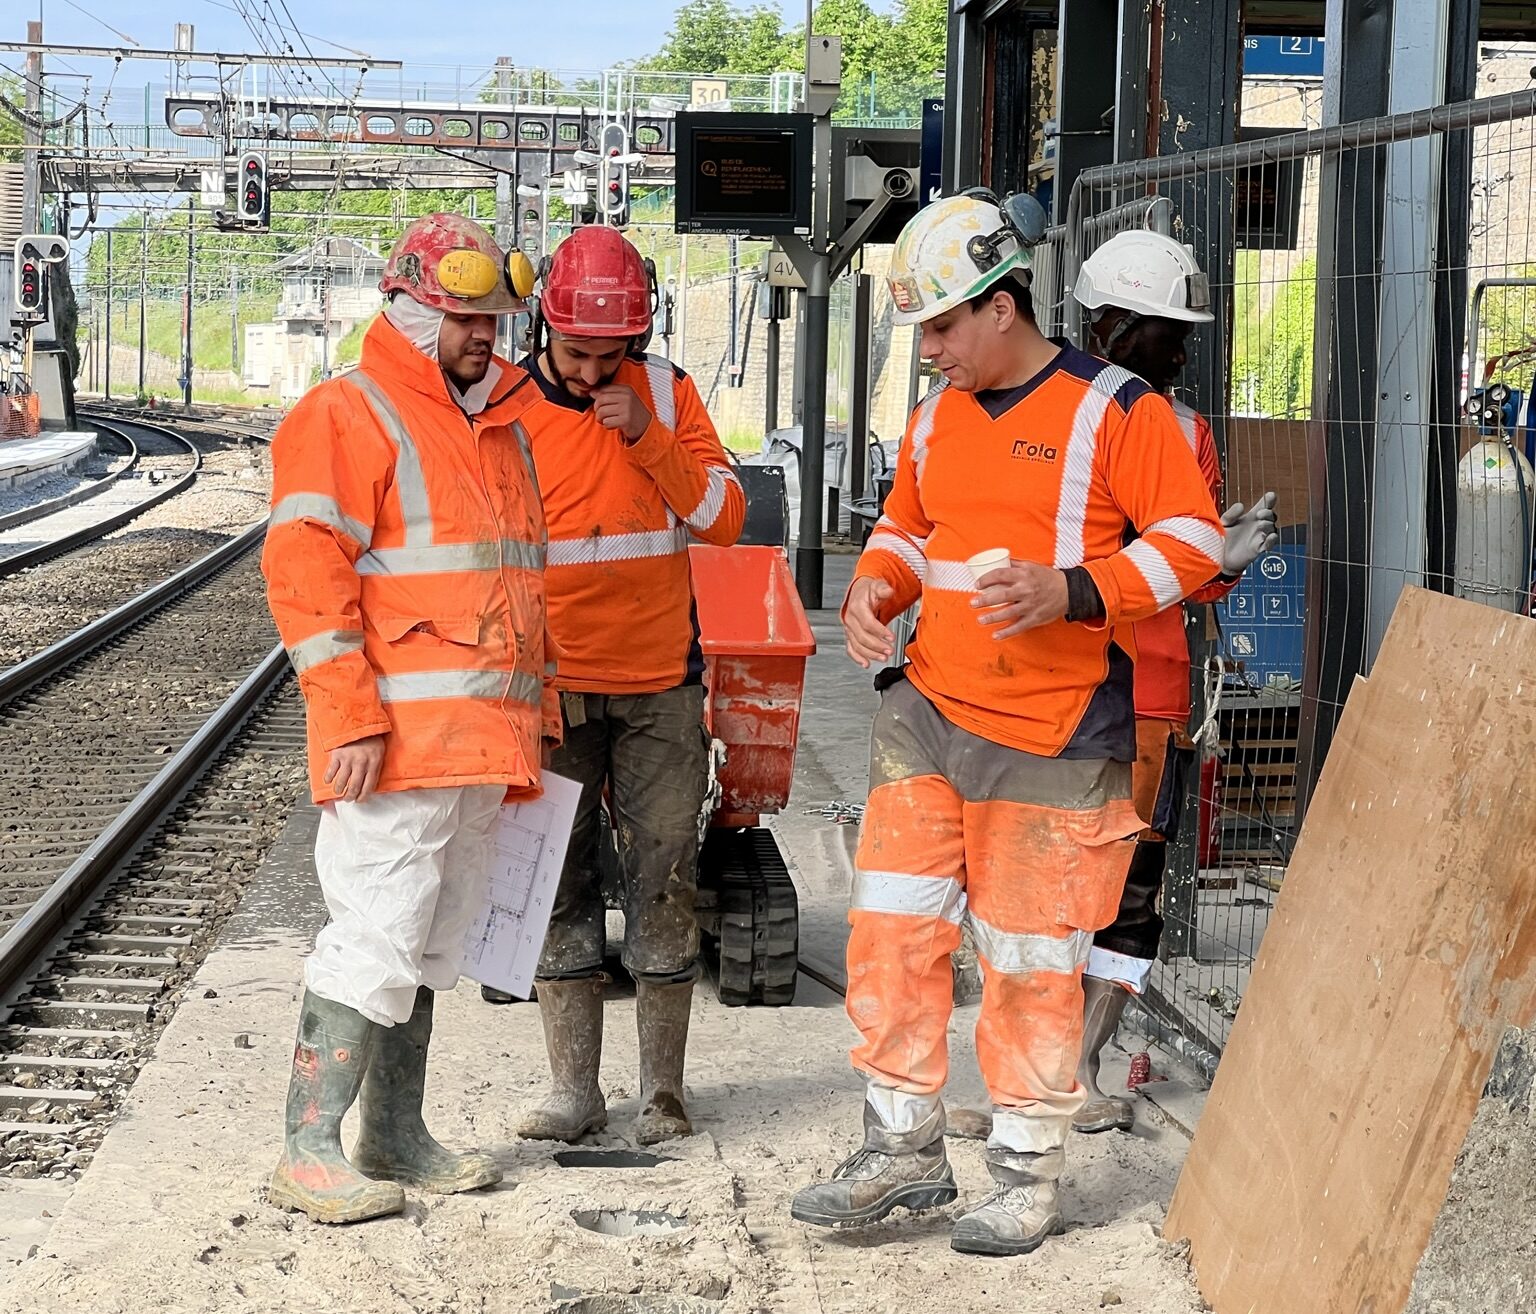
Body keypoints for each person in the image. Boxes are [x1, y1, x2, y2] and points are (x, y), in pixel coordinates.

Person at [789, 193, 1227, 1257]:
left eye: (941, 326)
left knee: (1032, 958)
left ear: (1001, 304)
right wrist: (877, 588)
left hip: (1056, 733)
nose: (929, 350)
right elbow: (907, 523)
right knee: (891, 932)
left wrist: (1075, 591)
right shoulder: (940, 414)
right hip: (928, 714)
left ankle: (1026, 1174)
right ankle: (900, 1152)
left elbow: (1195, 546)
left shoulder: (1114, 411)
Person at [261, 213, 557, 1224]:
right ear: (407, 307)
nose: (487, 334)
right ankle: (308, 1147)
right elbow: (304, 573)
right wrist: (342, 717)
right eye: (465, 316)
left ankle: (393, 1134)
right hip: (394, 742)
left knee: (432, 939)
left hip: (481, 740)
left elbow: (516, 586)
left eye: (493, 318)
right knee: (374, 934)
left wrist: (538, 715)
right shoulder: (348, 414)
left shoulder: (499, 426)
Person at [489, 225, 744, 1148]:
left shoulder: (667, 394)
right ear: (543, 330)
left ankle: (663, 1093)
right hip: (549, 688)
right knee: (556, 882)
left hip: (658, 684)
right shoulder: (505, 403)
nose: (596, 373)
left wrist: (650, 442)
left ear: (639, 338)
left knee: (665, 876)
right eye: (579, 353)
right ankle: (572, 1091)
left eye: (614, 354)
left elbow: (723, 515)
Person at [1069, 230, 1279, 1133]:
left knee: (1135, 891)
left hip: (1159, 690)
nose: (1184, 350)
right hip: (1070, 692)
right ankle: (1036, 1062)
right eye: (1168, 331)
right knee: (1055, 882)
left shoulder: (1188, 430)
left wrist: (1220, 559)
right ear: (1114, 326)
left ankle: (1077, 1065)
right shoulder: (1056, 415)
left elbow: (1194, 569)